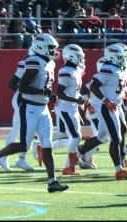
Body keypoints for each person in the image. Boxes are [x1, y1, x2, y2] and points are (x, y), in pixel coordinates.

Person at [0, 34, 70, 193]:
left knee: (47, 145)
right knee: (24, 144)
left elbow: (43, 86)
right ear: (41, 47)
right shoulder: (34, 61)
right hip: (29, 108)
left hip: (43, 108)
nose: (54, 50)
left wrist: (48, 95)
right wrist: (42, 92)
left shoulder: (48, 63)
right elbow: (22, 87)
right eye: (51, 47)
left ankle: (52, 182)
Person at [67, 44, 127, 180]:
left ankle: (75, 156)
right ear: (113, 57)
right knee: (116, 139)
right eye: (120, 57)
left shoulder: (117, 69)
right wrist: (105, 100)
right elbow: (93, 86)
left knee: (102, 138)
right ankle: (119, 170)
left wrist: (123, 94)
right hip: (107, 109)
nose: (123, 59)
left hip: (113, 107)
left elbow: (113, 88)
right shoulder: (108, 68)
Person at [0, 51, 35, 171]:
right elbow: (12, 84)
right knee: (28, 128)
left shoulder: (45, 64)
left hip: (30, 101)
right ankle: (19, 158)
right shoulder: (26, 64)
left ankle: (7, 158)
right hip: (23, 99)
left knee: (17, 130)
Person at [56, 44, 88, 175]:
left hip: (72, 107)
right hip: (66, 107)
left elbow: (73, 92)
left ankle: (69, 166)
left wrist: (81, 99)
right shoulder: (66, 71)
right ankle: (68, 167)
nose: (81, 59)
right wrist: (77, 100)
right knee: (75, 137)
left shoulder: (75, 70)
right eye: (79, 56)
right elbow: (59, 93)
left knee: (75, 137)